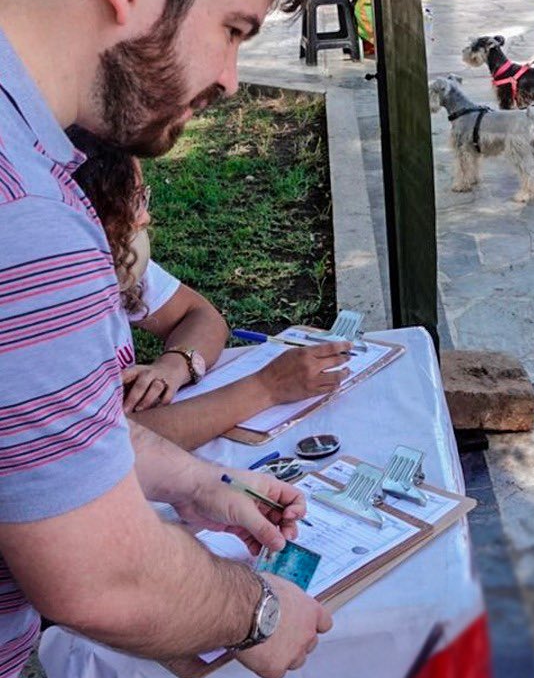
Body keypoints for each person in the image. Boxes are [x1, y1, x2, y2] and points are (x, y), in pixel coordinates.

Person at [0, 0, 330, 678]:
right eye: (232, 29)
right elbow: (100, 578)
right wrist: (257, 610)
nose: (232, 77)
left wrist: (193, 483)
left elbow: (27, 424)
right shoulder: (31, 225)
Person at [69, 130, 352, 447]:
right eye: (133, 201)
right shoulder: (51, 316)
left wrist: (175, 365)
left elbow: (200, 316)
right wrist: (267, 387)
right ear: (89, 214)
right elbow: (115, 445)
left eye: (143, 197)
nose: (145, 216)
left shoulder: (120, 263)